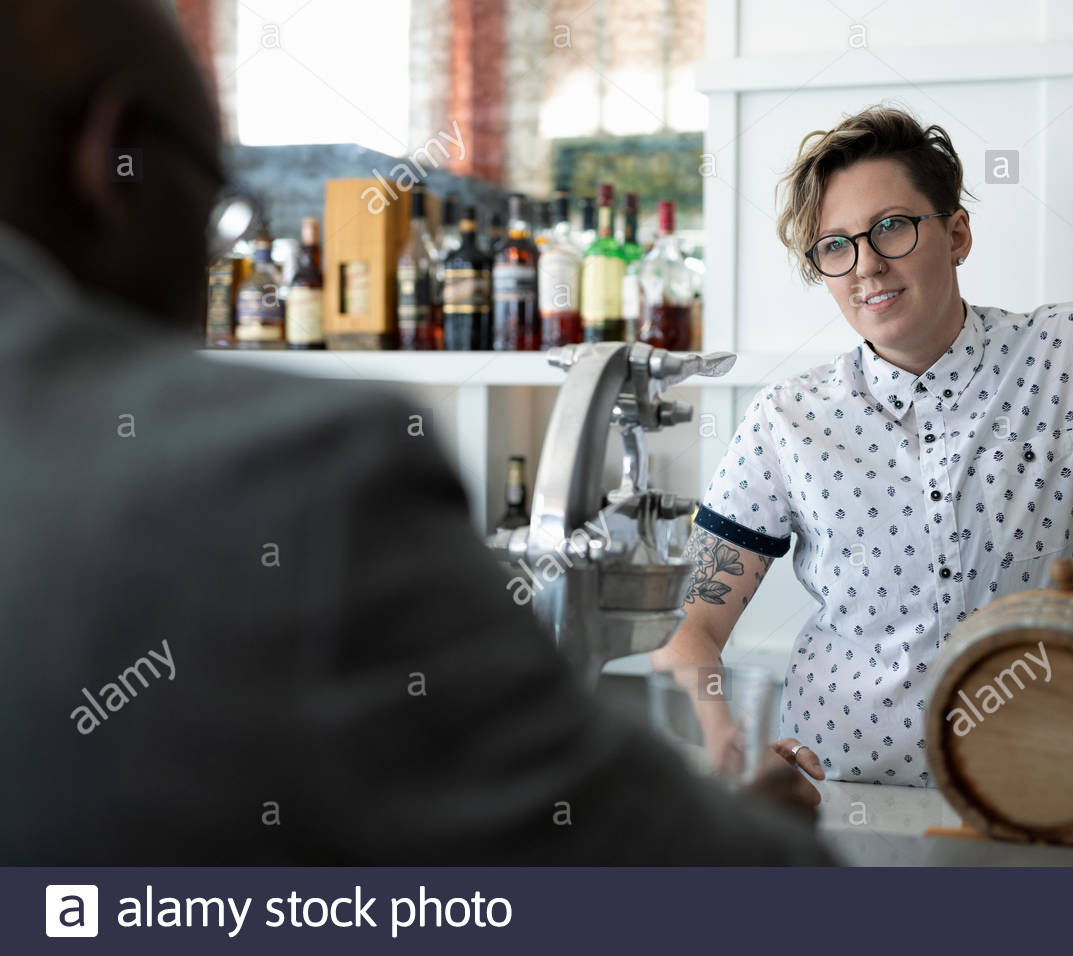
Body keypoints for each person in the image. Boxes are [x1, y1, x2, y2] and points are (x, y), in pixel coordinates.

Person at [0, 0, 831, 865]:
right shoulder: (295, 472)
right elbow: (639, 861)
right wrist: (764, 822)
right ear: (118, 160)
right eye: (219, 204)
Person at [652, 105, 1073, 793]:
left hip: (1048, 803)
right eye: (835, 246)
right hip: (841, 800)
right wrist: (731, 744)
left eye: (892, 227)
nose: (866, 264)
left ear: (957, 232)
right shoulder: (786, 419)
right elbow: (688, 629)